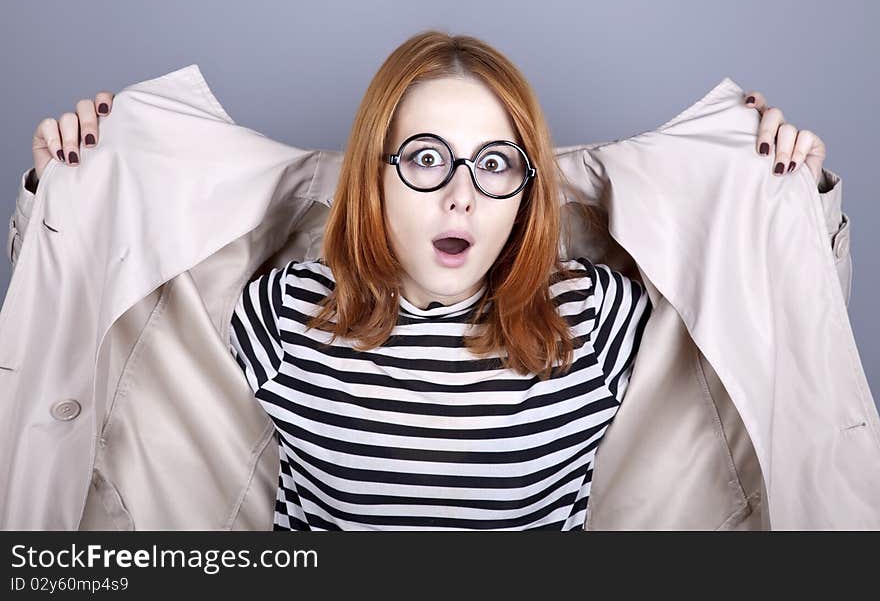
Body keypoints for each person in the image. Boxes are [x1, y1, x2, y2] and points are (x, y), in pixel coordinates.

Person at [19, 31, 834, 530]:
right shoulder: (283, 312)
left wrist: (783, 197)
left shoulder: (595, 316)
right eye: (425, 158)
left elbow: (787, 346)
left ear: (526, 190)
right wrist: (78, 190)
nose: (461, 193)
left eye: (494, 164)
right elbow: (97, 342)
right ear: (373, 176)